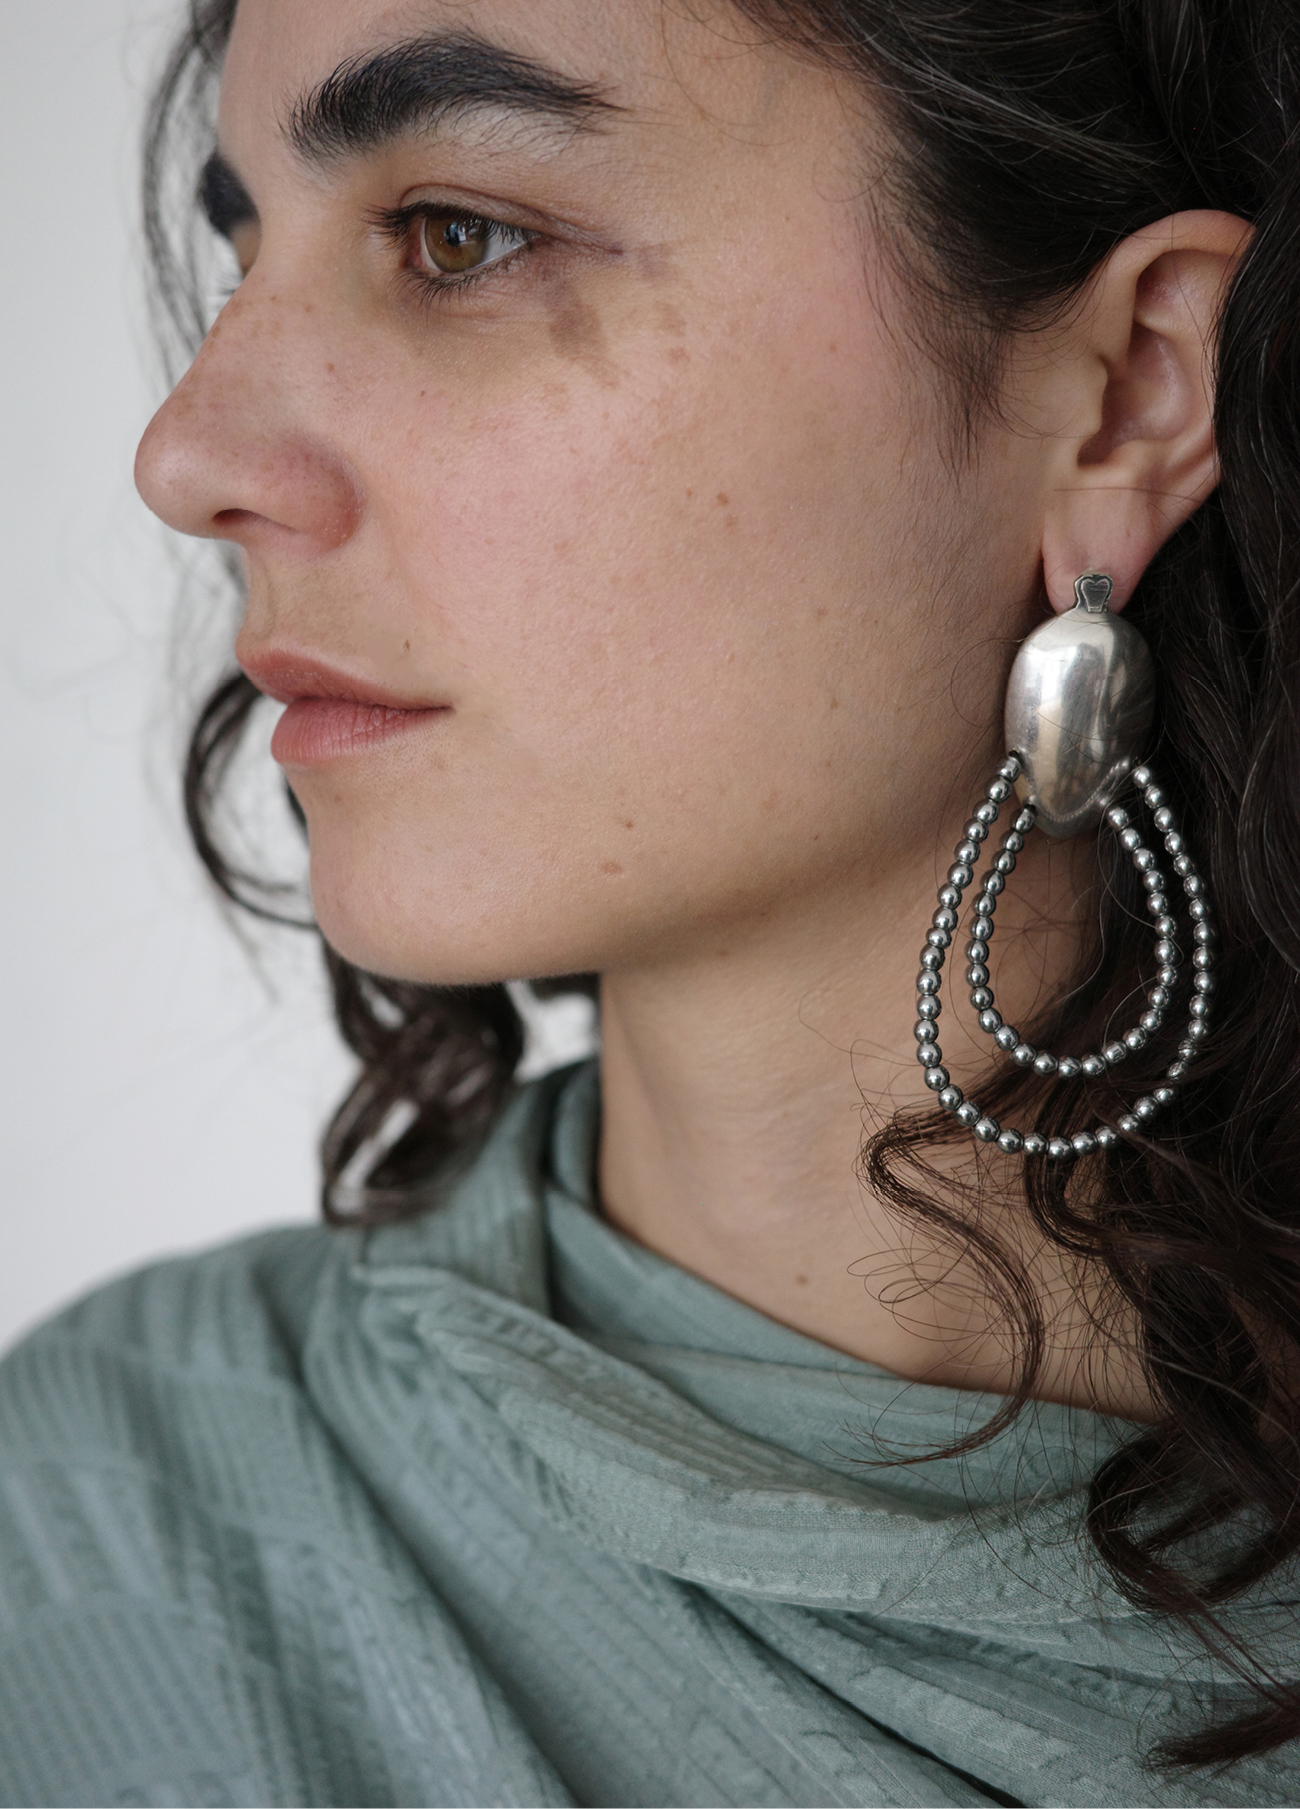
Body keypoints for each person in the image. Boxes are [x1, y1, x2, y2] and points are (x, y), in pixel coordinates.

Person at [1, 0, 1297, 1801]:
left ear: (1132, 391)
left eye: (460, 237)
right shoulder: (83, 1560)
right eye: (244, 254)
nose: (188, 453)